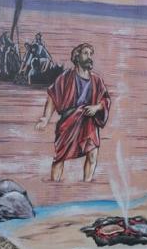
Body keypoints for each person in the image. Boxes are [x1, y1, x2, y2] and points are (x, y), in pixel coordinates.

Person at [36, 43, 110, 182]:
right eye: (85, 53)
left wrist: (96, 108)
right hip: (69, 122)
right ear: (77, 56)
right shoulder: (66, 77)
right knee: (60, 157)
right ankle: (54, 186)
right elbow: (53, 96)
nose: (89, 57)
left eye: (90, 54)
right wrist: (46, 118)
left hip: (89, 122)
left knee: (92, 155)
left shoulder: (97, 80)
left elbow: (105, 100)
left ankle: (86, 186)